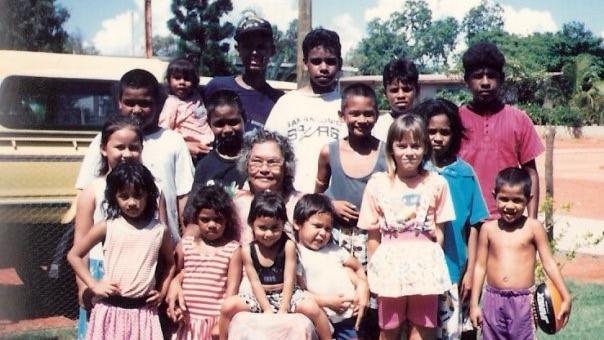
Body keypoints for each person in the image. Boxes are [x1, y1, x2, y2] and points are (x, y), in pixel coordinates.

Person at [357, 114, 455, 340]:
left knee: (423, 328)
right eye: (402, 146)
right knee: (389, 327)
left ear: (425, 149)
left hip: (424, 266)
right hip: (389, 266)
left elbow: (440, 232)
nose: (409, 152)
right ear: (392, 148)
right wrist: (374, 271)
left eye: (415, 146)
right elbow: (373, 236)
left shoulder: (437, 183)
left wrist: (429, 260)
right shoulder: (379, 184)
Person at [73, 115, 168, 339]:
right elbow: (80, 247)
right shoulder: (93, 190)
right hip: (101, 276)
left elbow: (161, 240)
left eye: (133, 147)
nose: (127, 154)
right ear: (104, 149)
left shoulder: (155, 190)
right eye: (119, 147)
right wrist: (86, 286)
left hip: (142, 278)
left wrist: (162, 287)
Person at [75, 69, 194, 242]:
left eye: (144, 103)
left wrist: (186, 244)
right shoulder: (102, 140)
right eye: (130, 102)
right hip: (109, 248)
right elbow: (85, 195)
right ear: (119, 103)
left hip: (161, 245)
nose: (137, 110)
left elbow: (184, 198)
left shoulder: (173, 141)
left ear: (158, 103)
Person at [315, 83, 386, 339]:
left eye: (368, 114)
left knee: (373, 306)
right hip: (337, 240)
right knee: (343, 304)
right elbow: (316, 199)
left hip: (374, 241)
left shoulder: (386, 153)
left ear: (377, 115)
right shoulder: (328, 152)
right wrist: (331, 205)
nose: (361, 119)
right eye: (354, 113)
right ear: (342, 115)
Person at [415, 98, 489, 340]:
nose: (437, 138)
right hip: (418, 271)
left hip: (453, 270)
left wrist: (471, 273)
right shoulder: (414, 171)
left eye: (444, 132)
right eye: (431, 131)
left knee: (452, 333)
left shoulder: (465, 173)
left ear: (454, 134)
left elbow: (476, 225)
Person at [470, 167, 572, 339]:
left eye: (517, 200)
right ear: (494, 195)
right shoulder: (488, 229)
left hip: (523, 302)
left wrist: (565, 296)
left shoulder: (533, 228)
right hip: (492, 301)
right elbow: (480, 267)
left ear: (528, 199)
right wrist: (474, 304)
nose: (510, 206)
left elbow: (549, 263)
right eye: (504, 199)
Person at [219, 191, 333, 340]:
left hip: (286, 294)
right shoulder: (247, 250)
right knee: (228, 306)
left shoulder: (288, 246)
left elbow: (289, 278)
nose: (268, 233)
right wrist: (266, 308)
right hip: (259, 296)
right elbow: (254, 281)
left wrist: (284, 308)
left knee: (311, 308)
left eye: (274, 228)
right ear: (251, 224)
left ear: (282, 225)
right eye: (262, 227)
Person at [458, 42, 544, 220]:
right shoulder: (455, 120)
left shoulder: (519, 120)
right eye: (477, 76)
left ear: (502, 78)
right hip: (464, 219)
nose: (485, 83)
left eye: (491, 76)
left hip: (507, 221)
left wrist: (532, 223)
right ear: (466, 79)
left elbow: (531, 173)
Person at [265, 28, 345, 193]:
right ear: (305, 63)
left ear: (340, 63)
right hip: (292, 198)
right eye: (316, 61)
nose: (323, 68)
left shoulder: (346, 106)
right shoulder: (287, 103)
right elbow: (269, 151)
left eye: (330, 61)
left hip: (335, 201)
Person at [169, 184, 242, 340]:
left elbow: (232, 291)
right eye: (205, 219)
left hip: (214, 323)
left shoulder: (232, 250)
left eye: (218, 220)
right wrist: (175, 307)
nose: (211, 225)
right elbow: (176, 275)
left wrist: (223, 321)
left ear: (227, 220)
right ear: (196, 218)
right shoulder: (186, 245)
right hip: (187, 323)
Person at [294, 193, 370, 340]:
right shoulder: (297, 254)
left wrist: (362, 286)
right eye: (317, 226)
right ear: (297, 223)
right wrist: (327, 302)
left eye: (328, 229)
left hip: (348, 320)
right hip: (321, 321)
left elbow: (358, 267)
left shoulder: (335, 250)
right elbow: (299, 292)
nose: (322, 233)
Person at [204, 12, 284, 132]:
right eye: (248, 46)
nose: (255, 52)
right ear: (238, 50)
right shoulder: (217, 87)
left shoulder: (279, 100)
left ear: (272, 50)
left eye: (261, 47)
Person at [159, 56, 213, 162]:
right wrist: (183, 146)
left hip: (208, 145)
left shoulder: (196, 96)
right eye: (177, 78)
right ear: (169, 80)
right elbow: (164, 130)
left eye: (187, 79)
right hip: (189, 150)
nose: (182, 82)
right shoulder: (172, 103)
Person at [192, 90, 247, 192]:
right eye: (219, 124)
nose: (227, 130)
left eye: (233, 122)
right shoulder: (205, 166)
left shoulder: (255, 159)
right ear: (209, 124)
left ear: (244, 118)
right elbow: (193, 206)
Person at [373, 57, 420, 141]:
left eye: (406, 89)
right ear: (385, 93)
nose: (401, 95)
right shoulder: (376, 127)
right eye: (394, 90)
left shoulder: (424, 123)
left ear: (417, 91)